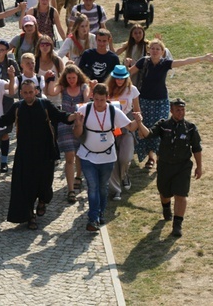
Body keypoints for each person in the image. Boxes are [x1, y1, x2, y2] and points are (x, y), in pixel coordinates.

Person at [0, 80, 75, 229]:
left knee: (45, 183)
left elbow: (61, 116)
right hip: (25, 154)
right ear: (21, 93)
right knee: (27, 186)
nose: (28, 95)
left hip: (45, 152)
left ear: (36, 91)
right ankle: (30, 216)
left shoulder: (44, 104)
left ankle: (43, 201)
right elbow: (2, 121)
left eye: (30, 92)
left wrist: (75, 116)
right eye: (25, 93)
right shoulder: (17, 107)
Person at [129, 39, 213, 168]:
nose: (154, 51)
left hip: (161, 102)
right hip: (144, 101)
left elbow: (184, 61)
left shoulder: (165, 63)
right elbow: (128, 73)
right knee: (145, 127)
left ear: (162, 52)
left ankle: (160, 158)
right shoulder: (143, 61)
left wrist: (203, 58)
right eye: (152, 48)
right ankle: (150, 157)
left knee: (160, 129)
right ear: (149, 50)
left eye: (158, 49)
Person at [72, 83, 142, 232]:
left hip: (107, 156)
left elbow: (130, 127)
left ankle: (100, 213)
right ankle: (93, 219)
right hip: (88, 155)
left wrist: (138, 120)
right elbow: (77, 134)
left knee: (103, 188)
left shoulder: (113, 111)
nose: (99, 103)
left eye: (102, 100)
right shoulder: (85, 109)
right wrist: (78, 124)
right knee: (93, 187)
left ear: (107, 98)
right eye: (96, 99)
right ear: (92, 97)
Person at [137, 98, 203, 238]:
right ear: (171, 111)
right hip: (165, 166)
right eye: (178, 110)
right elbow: (148, 134)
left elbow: (197, 148)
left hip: (183, 166)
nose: (181, 112)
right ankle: (166, 208)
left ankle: (177, 225)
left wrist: (199, 166)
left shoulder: (190, 128)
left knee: (181, 194)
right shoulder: (163, 125)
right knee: (165, 192)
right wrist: (139, 122)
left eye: (183, 109)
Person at [46, 64, 89, 203]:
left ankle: (78, 176)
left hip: (79, 123)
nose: (71, 80)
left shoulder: (83, 87)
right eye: (69, 78)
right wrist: (50, 79)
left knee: (79, 153)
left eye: (73, 77)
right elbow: (51, 92)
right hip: (65, 123)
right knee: (69, 156)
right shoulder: (63, 87)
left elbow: (87, 100)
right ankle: (71, 190)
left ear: (78, 76)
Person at [105, 65, 140, 202]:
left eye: (122, 78)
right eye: (117, 78)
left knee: (125, 158)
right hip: (110, 128)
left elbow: (137, 111)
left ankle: (124, 175)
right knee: (112, 160)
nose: (119, 81)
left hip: (126, 127)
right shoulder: (107, 89)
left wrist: (137, 126)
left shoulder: (133, 90)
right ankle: (116, 190)